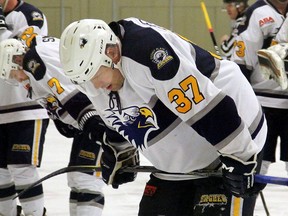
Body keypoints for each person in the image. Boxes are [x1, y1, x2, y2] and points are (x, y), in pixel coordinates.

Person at [59, 18, 267, 216]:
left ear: (112, 54)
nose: (94, 86)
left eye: (95, 76)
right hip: (179, 162)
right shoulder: (95, 71)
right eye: (86, 80)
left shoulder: (149, 51)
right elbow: (118, 113)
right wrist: (120, 150)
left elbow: (207, 108)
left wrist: (241, 158)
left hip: (232, 136)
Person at [0, 35, 109, 216]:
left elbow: (74, 98)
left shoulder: (37, 59)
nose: (18, 80)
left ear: (16, 60)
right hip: (92, 117)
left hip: (99, 116)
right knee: (77, 176)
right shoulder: (36, 62)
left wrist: (104, 134)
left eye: (14, 74)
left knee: (85, 178)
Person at [0, 0, 49, 215]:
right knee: (0, 173)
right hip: (2, 109)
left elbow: (19, 53)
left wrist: (2, 30)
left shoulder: (30, 15)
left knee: (21, 168)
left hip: (26, 107)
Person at [230, 0, 288, 175]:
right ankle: (247, 199)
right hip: (262, 103)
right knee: (256, 166)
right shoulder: (257, 13)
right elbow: (241, 62)